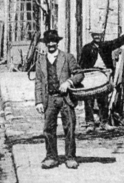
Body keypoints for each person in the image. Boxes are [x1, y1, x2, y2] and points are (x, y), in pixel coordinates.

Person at [34, 30, 84, 170]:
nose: (51, 44)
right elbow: (38, 81)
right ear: (45, 43)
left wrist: (68, 82)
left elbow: (79, 74)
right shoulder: (41, 60)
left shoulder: (67, 57)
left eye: (54, 41)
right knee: (48, 129)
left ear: (57, 42)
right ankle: (51, 157)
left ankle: (70, 157)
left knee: (69, 128)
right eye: (48, 41)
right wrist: (38, 101)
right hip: (49, 99)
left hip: (65, 99)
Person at [79, 29, 124, 132]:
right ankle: (90, 123)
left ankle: (104, 122)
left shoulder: (106, 46)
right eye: (95, 35)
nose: (97, 37)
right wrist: (82, 75)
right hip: (91, 75)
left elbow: (118, 41)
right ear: (92, 36)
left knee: (103, 99)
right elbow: (81, 63)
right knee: (89, 99)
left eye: (98, 35)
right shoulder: (87, 48)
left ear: (102, 35)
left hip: (103, 75)